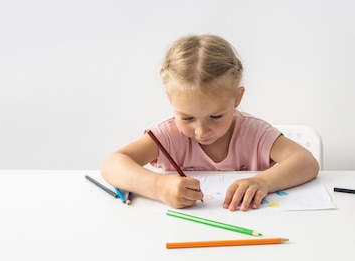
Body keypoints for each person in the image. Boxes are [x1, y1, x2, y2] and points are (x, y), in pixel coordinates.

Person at [100, 34, 319, 211]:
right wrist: (158, 187)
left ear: (237, 98)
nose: (201, 130)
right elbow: (112, 165)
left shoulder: (254, 132)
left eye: (216, 116)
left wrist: (264, 182)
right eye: (187, 118)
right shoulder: (167, 135)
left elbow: (306, 162)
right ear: (171, 100)